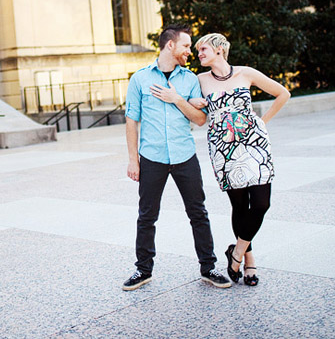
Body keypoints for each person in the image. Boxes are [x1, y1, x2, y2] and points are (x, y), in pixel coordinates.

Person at [122, 25, 231, 291]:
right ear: (170, 45)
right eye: (185, 46)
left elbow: (201, 119)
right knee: (147, 216)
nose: (189, 52)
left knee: (198, 213)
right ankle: (143, 270)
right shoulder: (140, 79)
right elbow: (131, 121)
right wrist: (133, 160)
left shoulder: (190, 79)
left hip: (184, 156)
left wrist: (177, 99)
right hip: (152, 157)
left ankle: (209, 267)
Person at [189, 33, 290, 286]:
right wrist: (192, 100)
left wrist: (261, 123)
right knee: (240, 205)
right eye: (197, 50)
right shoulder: (198, 80)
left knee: (261, 203)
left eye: (203, 49)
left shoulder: (245, 73)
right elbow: (192, 112)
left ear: (219, 50)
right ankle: (249, 260)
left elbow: (283, 94)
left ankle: (236, 252)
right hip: (224, 148)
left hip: (254, 146)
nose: (198, 54)